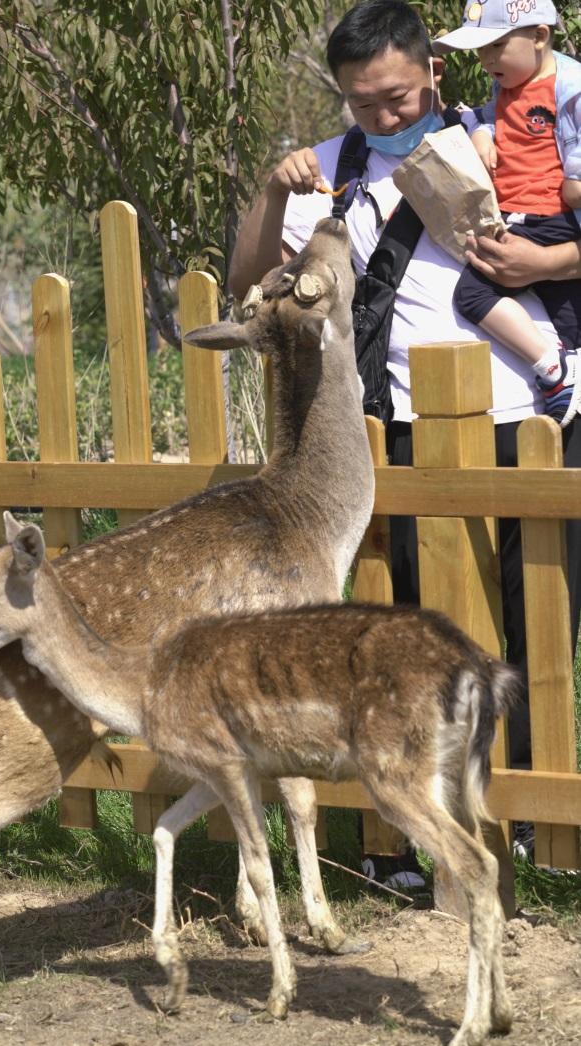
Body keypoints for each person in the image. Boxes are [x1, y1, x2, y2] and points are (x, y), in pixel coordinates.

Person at [228, 0, 581, 859]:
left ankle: (532, 826)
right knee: (430, 634)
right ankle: (431, 829)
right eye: (364, 102)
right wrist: (273, 191)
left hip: (539, 417)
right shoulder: (329, 171)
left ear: (432, 70)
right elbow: (248, 279)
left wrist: (547, 260)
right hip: (410, 428)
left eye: (398, 97)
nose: (385, 117)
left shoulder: (497, 137)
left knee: (542, 624)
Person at [433, 0, 581, 427]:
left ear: (539, 36)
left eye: (496, 45)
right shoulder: (512, 85)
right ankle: (566, 367)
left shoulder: (570, 88)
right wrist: (482, 132)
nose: (486, 59)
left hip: (551, 218)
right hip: (521, 218)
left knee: (473, 294)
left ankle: (553, 370)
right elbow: (489, 117)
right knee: (568, 318)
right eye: (481, 49)